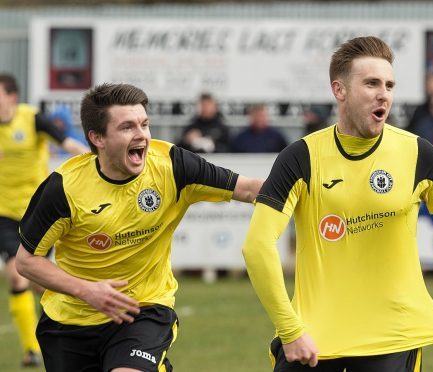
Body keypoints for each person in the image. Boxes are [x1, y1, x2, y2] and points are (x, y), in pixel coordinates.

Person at [242, 36, 433, 371]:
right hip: (312, 340)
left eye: (389, 84)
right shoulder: (301, 157)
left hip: (393, 339)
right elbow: (257, 245)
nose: (384, 93)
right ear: (339, 90)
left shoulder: (417, 153)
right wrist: (290, 329)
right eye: (371, 83)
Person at [14, 83, 263, 371]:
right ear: (98, 138)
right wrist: (86, 291)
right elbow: (27, 261)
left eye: (144, 124)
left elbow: (248, 189)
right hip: (69, 325)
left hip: (143, 310)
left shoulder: (172, 166)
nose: (142, 135)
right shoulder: (63, 188)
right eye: (127, 127)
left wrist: (311, 191)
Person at [0, 73, 89, 367]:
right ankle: (30, 350)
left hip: (36, 212)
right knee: (15, 273)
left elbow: (67, 142)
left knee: (40, 281)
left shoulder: (33, 118)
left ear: (12, 96)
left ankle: (60, 325)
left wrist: (93, 159)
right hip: (3, 214)